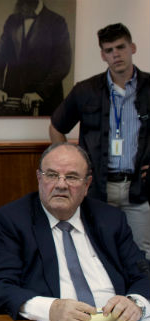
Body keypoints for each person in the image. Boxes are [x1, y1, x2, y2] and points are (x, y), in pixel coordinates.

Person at [0, 143, 150, 321]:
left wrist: (135, 302)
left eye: (72, 177)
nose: (61, 184)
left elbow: (143, 273)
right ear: (39, 178)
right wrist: (51, 309)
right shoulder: (12, 220)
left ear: (87, 185)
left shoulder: (110, 219)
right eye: (52, 175)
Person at [50, 23, 150, 261]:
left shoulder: (149, 88)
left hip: (140, 188)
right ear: (102, 55)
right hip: (97, 188)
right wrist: (69, 166)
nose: (116, 54)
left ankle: (140, 299)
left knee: (142, 257)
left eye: (120, 47)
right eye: (109, 50)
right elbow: (56, 127)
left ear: (132, 47)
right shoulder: (86, 90)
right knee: (97, 254)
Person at [0, 0, 71, 116]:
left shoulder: (57, 22)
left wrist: (40, 93)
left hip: (45, 103)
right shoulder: (12, 20)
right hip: (13, 103)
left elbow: (63, 64)